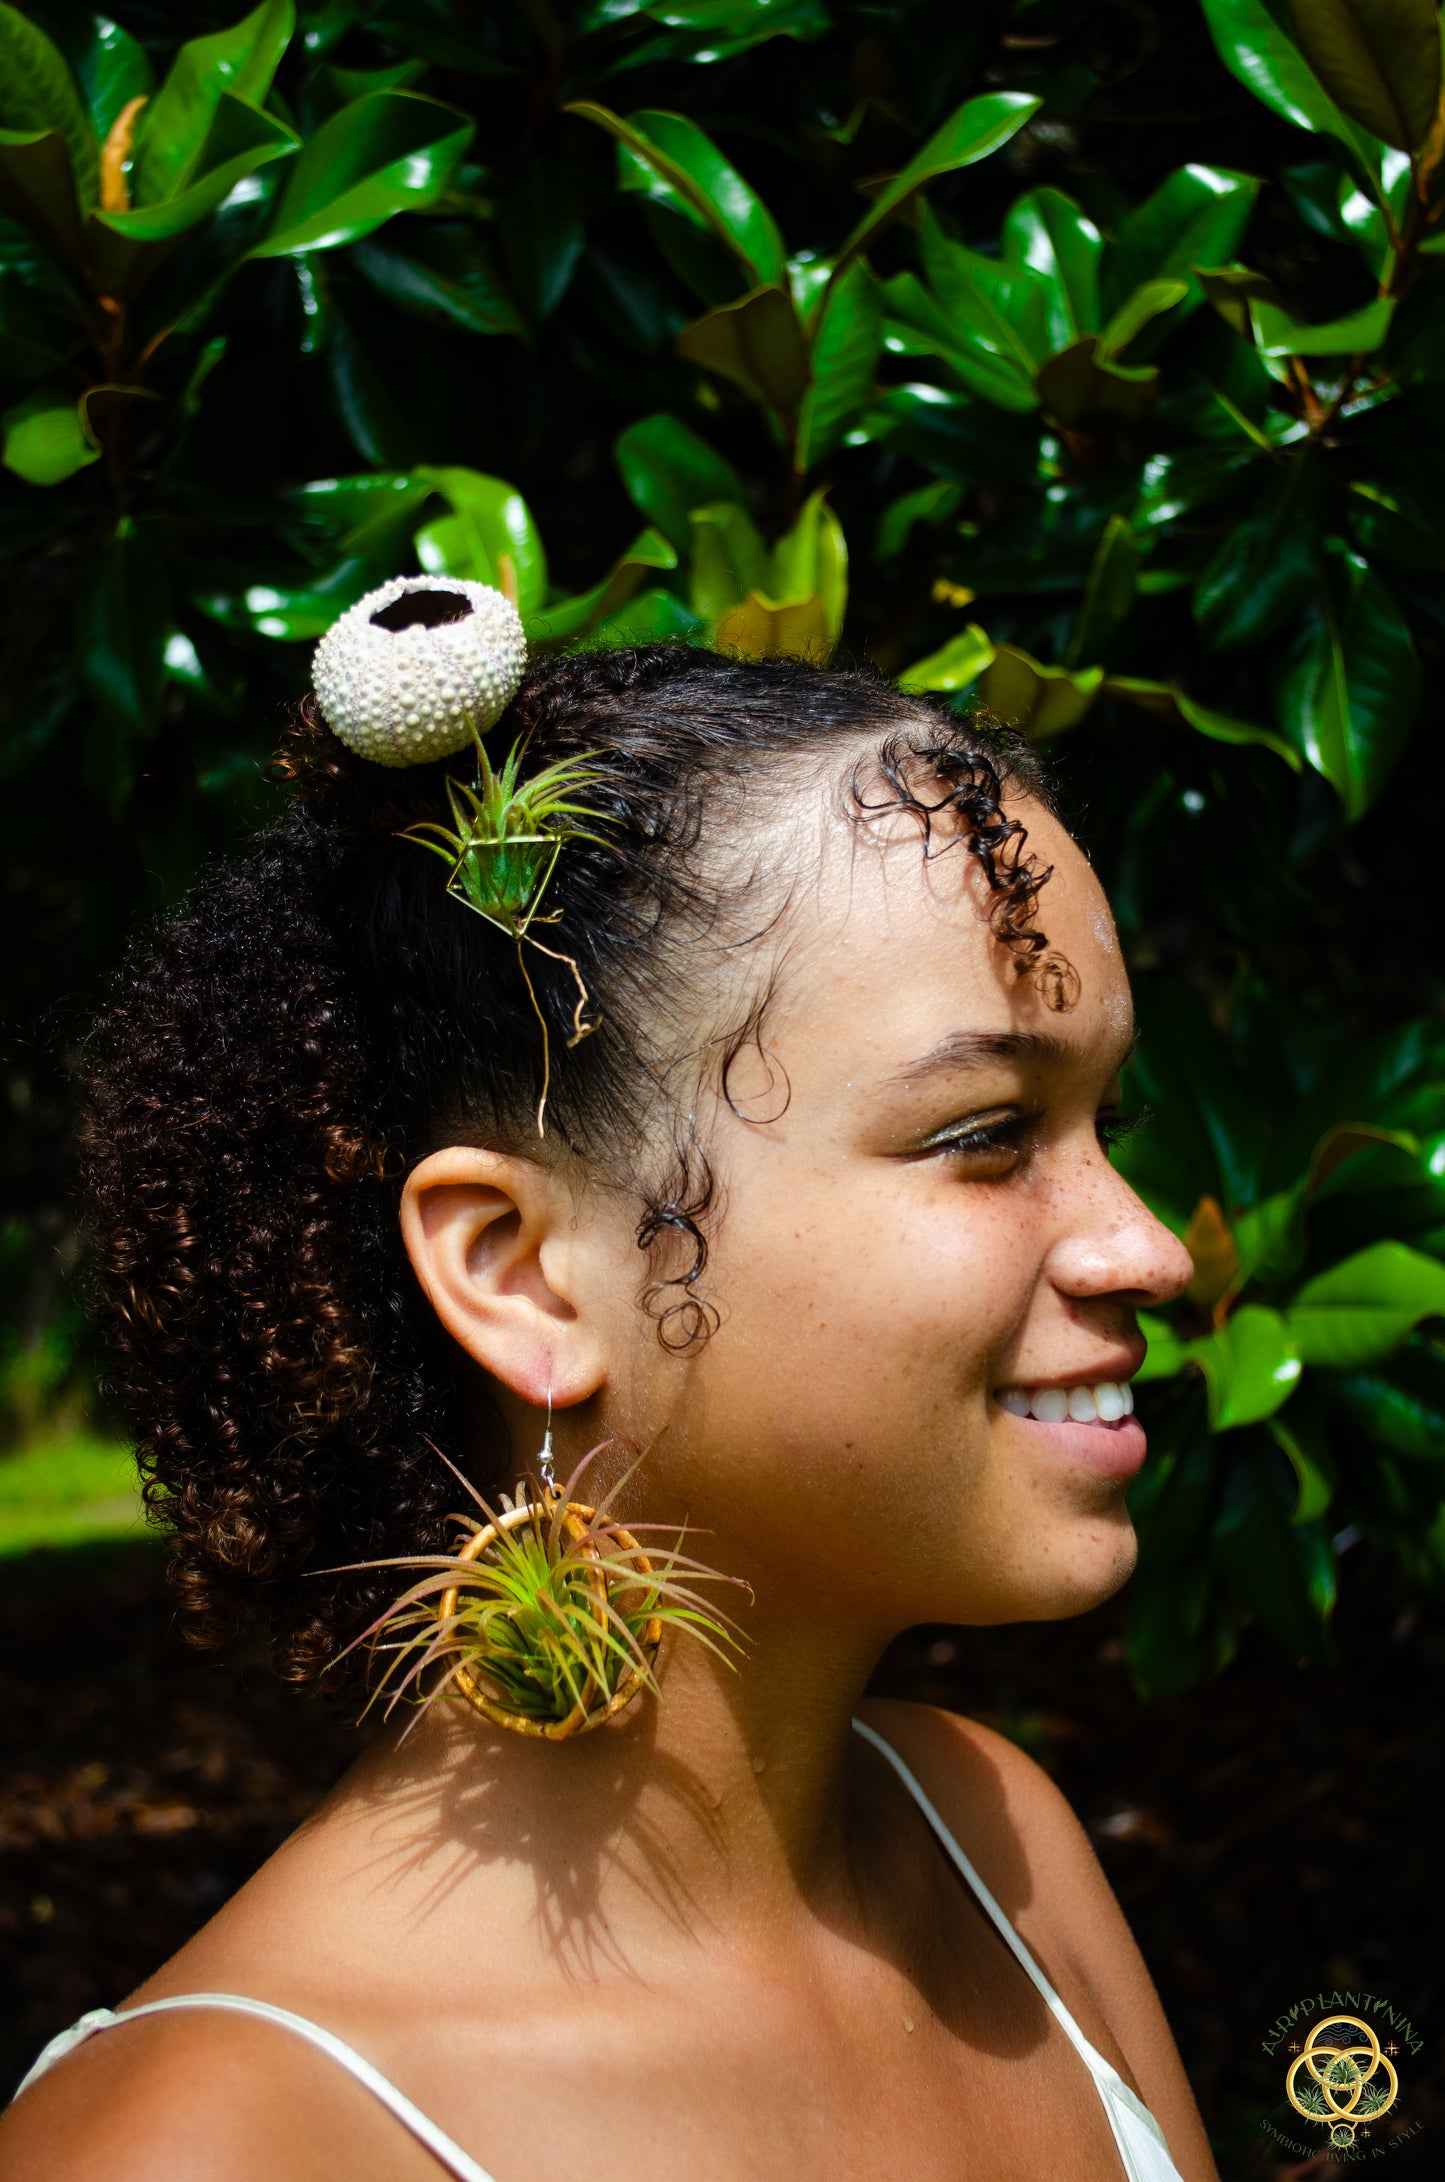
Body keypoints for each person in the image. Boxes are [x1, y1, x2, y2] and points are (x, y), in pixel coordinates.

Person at [0, 620, 1213, 2181]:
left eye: (1102, 1117)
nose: (1148, 1245)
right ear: (521, 1271)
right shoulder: (215, 2146)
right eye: (983, 1132)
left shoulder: (994, 1843)